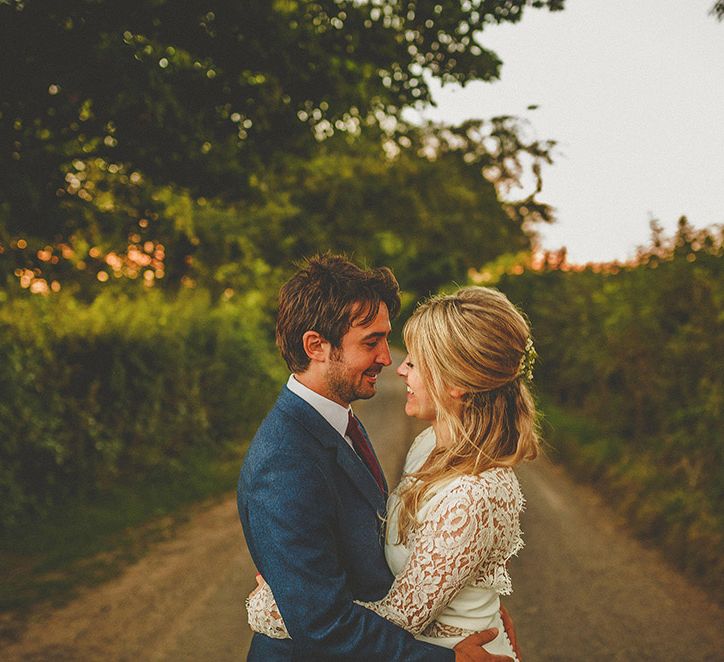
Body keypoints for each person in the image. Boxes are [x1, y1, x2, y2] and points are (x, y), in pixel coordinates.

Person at [238, 255, 512, 660]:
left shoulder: (337, 420)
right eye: (371, 342)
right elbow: (320, 624)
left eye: (387, 338)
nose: (388, 358)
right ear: (316, 346)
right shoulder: (283, 464)